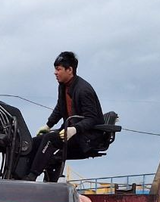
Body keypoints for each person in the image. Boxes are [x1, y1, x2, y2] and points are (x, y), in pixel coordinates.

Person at [24, 51, 105, 182]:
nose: (55, 73)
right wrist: (48, 125)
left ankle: (31, 177)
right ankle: (22, 176)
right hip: (70, 131)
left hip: (86, 136)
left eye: (58, 69)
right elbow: (59, 108)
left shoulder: (84, 90)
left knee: (50, 140)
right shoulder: (63, 86)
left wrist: (75, 129)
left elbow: (92, 118)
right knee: (35, 141)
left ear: (70, 70)